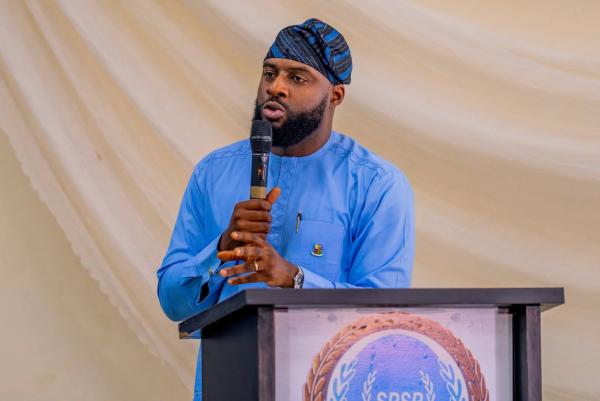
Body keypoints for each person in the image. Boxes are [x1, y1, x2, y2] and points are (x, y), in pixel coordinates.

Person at [156, 17, 415, 400]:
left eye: (297, 77)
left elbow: (382, 319)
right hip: (229, 386)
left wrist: (294, 278)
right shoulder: (213, 172)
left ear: (335, 96)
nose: (275, 87)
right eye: (269, 73)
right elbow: (173, 303)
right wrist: (222, 246)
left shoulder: (376, 184)